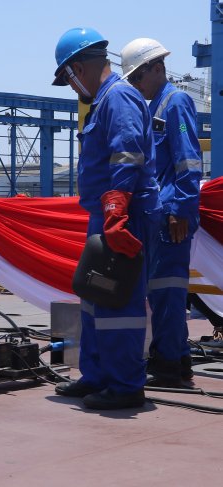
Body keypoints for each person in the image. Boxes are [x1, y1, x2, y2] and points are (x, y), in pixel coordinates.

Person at [51, 28, 160, 409]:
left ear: (77, 68)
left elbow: (127, 154)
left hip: (124, 214)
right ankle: (96, 375)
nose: (70, 86)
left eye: (67, 78)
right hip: (107, 213)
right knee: (94, 296)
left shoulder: (120, 97)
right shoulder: (104, 103)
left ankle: (126, 385)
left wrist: (116, 210)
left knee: (119, 301)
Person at [120, 38, 203, 387]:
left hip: (171, 215)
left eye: (140, 77)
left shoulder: (176, 102)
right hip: (160, 214)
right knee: (162, 291)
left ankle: (168, 364)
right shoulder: (157, 106)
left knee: (166, 291)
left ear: (157, 68)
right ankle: (177, 358)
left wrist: (180, 208)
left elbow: (187, 158)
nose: (138, 85)